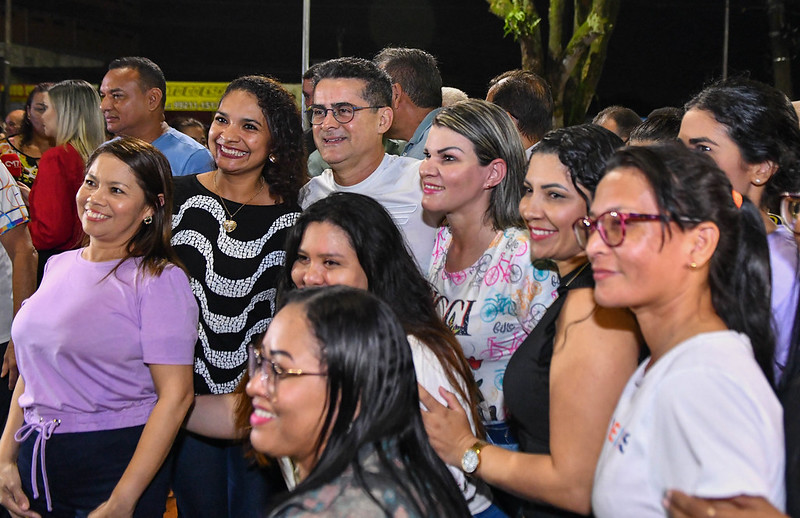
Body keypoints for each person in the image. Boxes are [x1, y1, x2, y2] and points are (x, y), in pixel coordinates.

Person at [420, 124, 641, 517]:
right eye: (528, 190)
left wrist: (466, 450)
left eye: (554, 195)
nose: (530, 210)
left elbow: (577, 486)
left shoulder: (595, 310)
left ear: (605, 207)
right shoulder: (578, 290)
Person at [0, 136, 198, 517]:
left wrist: (125, 498)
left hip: (114, 464)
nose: (95, 197)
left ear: (150, 209)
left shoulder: (159, 280)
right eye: (91, 182)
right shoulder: (59, 265)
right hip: (36, 459)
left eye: (117, 189)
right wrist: (6, 457)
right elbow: (34, 368)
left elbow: (176, 398)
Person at [583, 144, 784, 517]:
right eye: (593, 225)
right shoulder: (669, 362)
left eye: (619, 224)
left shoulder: (704, 382)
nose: (594, 246)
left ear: (699, 243)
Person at [170, 75, 306, 518]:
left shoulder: (296, 219)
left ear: (276, 143)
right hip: (181, 400)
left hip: (261, 403)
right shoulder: (174, 195)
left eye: (249, 127)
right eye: (222, 120)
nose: (228, 136)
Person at [248, 286, 472, 517]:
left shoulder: (332, 510)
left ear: (352, 390)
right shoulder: (405, 473)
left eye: (279, 370)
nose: (253, 385)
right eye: (260, 361)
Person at [420, 99, 558, 451]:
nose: (426, 168)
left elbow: (555, 380)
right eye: (427, 155)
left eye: (447, 158)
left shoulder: (527, 258)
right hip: (446, 441)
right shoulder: (441, 240)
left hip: (510, 449)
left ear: (494, 173)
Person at [678, 77, 800, 384]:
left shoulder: (786, 266)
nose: (680, 165)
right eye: (679, 148)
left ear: (761, 168)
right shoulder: (681, 246)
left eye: (703, 149)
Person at [300, 57, 438, 269]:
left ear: (383, 119)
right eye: (319, 112)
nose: (327, 124)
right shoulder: (308, 196)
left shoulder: (425, 185)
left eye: (344, 110)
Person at [28, 79, 106, 282]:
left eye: (47, 108)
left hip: (54, 265)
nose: (43, 115)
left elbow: (50, 233)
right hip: (92, 263)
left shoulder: (57, 157)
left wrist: (15, 231)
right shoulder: (103, 156)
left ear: (66, 113)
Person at [99, 56, 214, 176]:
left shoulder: (193, 159)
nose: (104, 106)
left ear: (152, 99)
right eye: (103, 96)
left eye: (117, 96)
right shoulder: (104, 153)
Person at [374, 47, 443, 160]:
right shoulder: (426, 141)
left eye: (375, 93)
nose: (370, 103)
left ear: (395, 95)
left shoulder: (433, 150)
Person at [486, 70, 553, 158]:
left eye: (487, 117)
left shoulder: (524, 169)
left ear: (507, 123)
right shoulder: (563, 164)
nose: (484, 127)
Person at [0, 84, 54, 189]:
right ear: (28, 112)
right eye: (40, 109)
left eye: (54, 109)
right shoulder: (4, 149)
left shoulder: (74, 151)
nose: (47, 115)